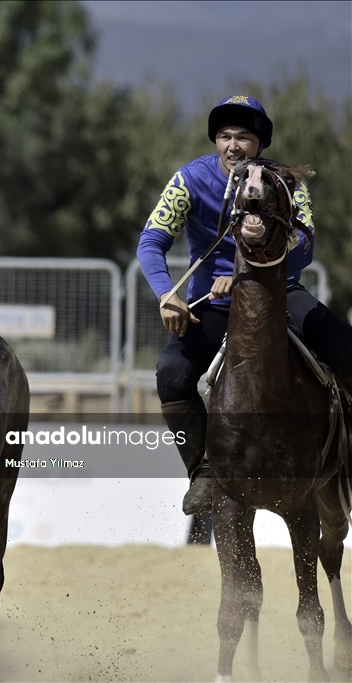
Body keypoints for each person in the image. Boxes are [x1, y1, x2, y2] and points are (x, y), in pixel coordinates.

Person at [137, 95, 352, 516]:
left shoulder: (287, 182)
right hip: (213, 306)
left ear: (259, 144)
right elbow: (152, 241)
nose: (233, 145)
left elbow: (304, 244)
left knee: (347, 350)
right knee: (172, 373)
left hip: (281, 295)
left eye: (244, 137)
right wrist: (167, 293)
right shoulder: (188, 181)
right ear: (216, 141)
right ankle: (202, 468)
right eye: (224, 136)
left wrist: (243, 277)